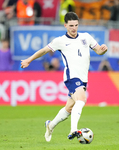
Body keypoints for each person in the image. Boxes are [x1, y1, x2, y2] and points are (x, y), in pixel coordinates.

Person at [20, 12, 108, 142]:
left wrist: (103, 49)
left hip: (83, 78)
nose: (74, 28)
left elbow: (99, 51)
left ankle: (50, 125)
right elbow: (44, 50)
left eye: (76, 25)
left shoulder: (86, 37)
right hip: (71, 76)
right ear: (65, 25)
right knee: (82, 99)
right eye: (71, 25)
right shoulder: (60, 41)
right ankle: (73, 130)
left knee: (69, 108)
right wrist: (29, 60)